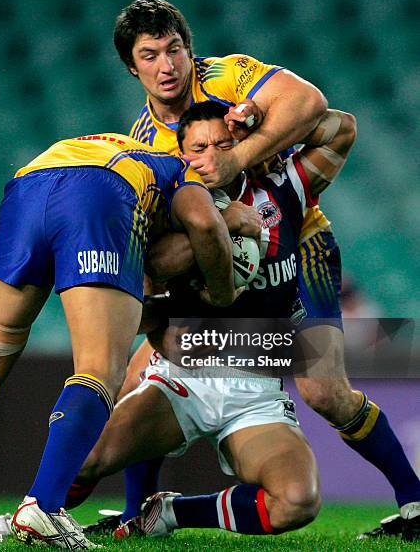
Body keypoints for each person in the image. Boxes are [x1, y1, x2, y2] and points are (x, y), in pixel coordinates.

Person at [103, 0, 420, 540]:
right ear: (132, 67)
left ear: (190, 49)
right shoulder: (140, 142)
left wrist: (240, 153)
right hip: (222, 266)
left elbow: (317, 107)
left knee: (323, 391)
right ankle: (141, 515)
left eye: (175, 49)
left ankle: (414, 501)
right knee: (137, 374)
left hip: (297, 249)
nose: (167, 66)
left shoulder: (227, 78)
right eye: (150, 55)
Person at [58, 100, 357, 539]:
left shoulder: (283, 190)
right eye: (199, 147)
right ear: (183, 156)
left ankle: (169, 513)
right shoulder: (165, 213)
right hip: (182, 381)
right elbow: (136, 314)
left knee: (297, 502)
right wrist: (215, 228)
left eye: (222, 143)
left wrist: (260, 124)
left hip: (256, 393)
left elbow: (341, 129)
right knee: (79, 464)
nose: (211, 154)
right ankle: (25, 520)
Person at [0, 131, 240, 549]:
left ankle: (42, 507)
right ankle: (42, 507)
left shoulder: (121, 148)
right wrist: (223, 290)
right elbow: (205, 223)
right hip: (98, 191)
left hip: (29, 185)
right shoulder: (181, 172)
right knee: (100, 368)